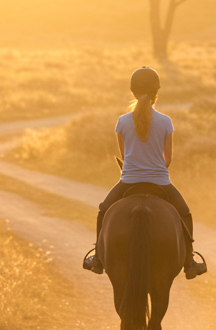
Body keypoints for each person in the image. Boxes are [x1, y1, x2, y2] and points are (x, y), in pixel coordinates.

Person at [83, 67, 207, 279]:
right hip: (160, 182)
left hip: (128, 180)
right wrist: (155, 166)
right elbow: (168, 159)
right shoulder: (166, 122)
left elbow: (125, 156)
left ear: (132, 92)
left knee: (104, 211)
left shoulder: (122, 122)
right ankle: (189, 262)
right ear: (155, 93)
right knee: (185, 214)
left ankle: (98, 259)